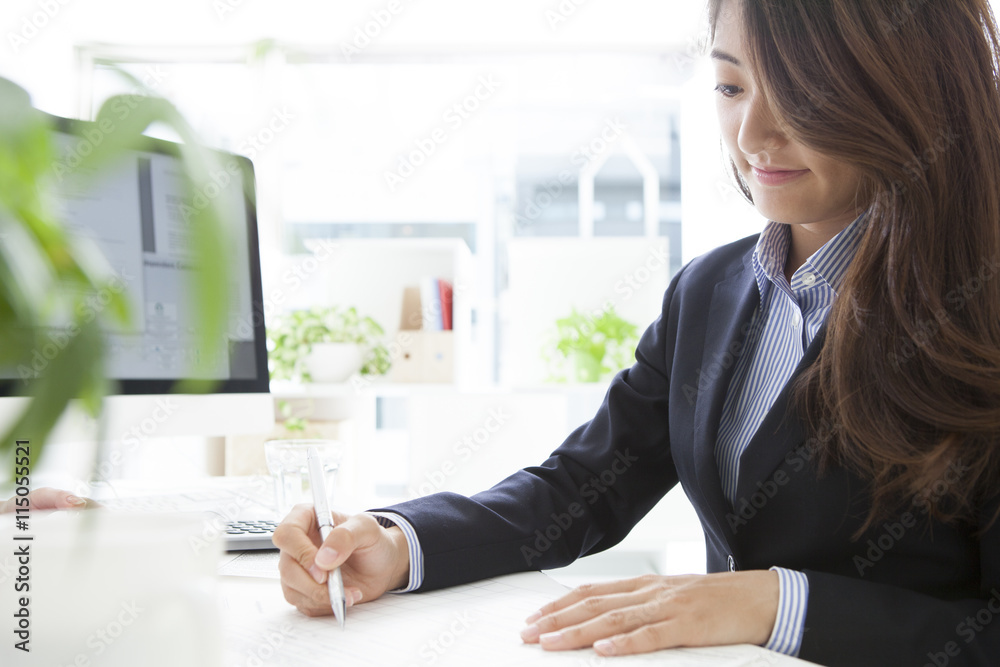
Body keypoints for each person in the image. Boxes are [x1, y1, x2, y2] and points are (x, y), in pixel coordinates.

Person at [274, 1, 1000, 664]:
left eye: (804, 90)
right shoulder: (709, 290)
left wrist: (776, 601)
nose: (752, 136)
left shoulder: (982, 306)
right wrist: (400, 546)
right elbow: (582, 488)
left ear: (912, 89)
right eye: (731, 87)